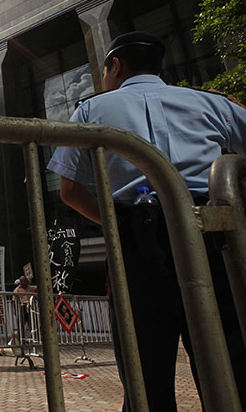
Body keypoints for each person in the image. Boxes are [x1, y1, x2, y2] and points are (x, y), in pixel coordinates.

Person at [47, 31, 246, 411]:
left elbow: (70, 190)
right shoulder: (210, 102)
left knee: (145, 378)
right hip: (212, 233)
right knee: (231, 365)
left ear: (116, 66)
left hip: (139, 240)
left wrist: (117, 223)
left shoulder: (92, 110)